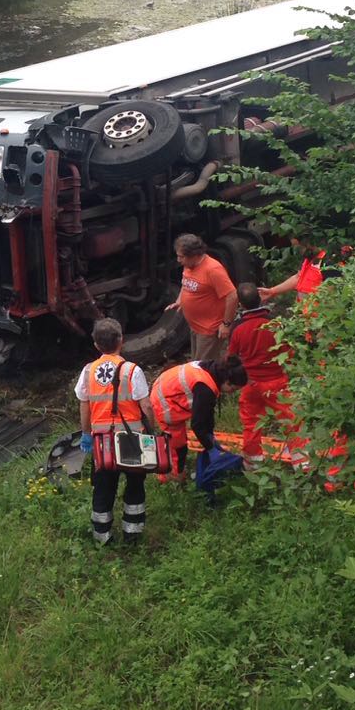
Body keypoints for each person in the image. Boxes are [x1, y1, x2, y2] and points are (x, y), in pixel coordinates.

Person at [75, 317, 156, 547]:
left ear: (96, 345)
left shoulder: (88, 371)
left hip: (102, 442)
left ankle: (102, 536)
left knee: (103, 487)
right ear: (121, 341)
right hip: (131, 439)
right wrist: (152, 433)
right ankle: (132, 534)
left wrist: (86, 434)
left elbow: (84, 404)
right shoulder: (132, 370)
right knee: (134, 484)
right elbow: (146, 406)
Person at [149, 355, 246, 481]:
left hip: (167, 385)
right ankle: (170, 477)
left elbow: (207, 413)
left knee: (180, 442)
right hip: (164, 402)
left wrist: (210, 437)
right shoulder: (205, 388)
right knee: (177, 445)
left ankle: (176, 472)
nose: (232, 393)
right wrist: (210, 448)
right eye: (233, 389)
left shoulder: (212, 369)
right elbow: (197, 424)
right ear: (227, 381)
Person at [227, 283, 294, 459]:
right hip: (277, 382)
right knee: (291, 421)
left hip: (251, 384)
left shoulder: (237, 329)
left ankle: (252, 463)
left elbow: (232, 359)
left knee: (251, 424)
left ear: (240, 304)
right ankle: (301, 463)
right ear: (260, 299)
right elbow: (289, 352)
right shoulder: (275, 324)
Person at [166, 233, 237, 360]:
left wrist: (226, 324)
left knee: (203, 368)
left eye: (181, 257)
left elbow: (232, 295)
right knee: (197, 363)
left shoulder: (213, 270)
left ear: (193, 255)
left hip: (208, 329)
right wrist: (180, 301)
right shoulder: (189, 265)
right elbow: (186, 282)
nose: (178, 260)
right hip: (195, 326)